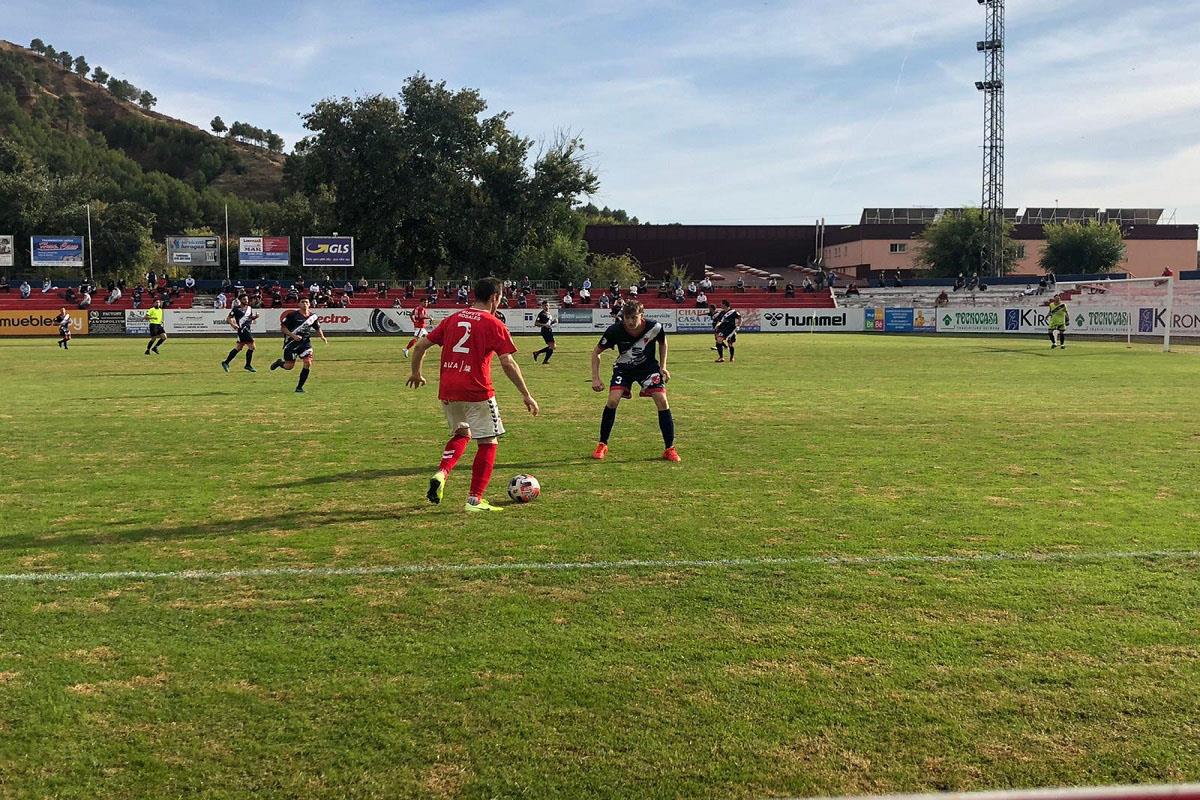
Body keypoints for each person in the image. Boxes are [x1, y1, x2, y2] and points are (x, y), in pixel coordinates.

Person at [407, 277, 539, 513]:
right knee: (488, 442)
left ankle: (442, 472)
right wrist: (526, 394)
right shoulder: (493, 323)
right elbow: (508, 363)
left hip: (448, 389)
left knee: (461, 433)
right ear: (494, 298)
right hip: (476, 390)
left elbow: (419, 347)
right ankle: (475, 500)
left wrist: (416, 373)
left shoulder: (453, 318)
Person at [590, 302, 678, 462]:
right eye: (627, 318)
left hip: (648, 368)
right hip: (624, 369)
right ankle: (602, 444)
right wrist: (595, 377)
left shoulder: (655, 327)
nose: (630, 322)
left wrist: (663, 366)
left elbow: (663, 342)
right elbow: (596, 352)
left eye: (634, 317)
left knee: (662, 400)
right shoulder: (615, 330)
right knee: (612, 400)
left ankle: (669, 448)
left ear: (641, 316)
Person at [270, 298, 328, 392]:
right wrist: (293, 336)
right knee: (289, 366)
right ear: (299, 304)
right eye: (302, 302)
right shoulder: (292, 315)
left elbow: (317, 328)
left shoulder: (313, 317)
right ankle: (280, 363)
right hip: (291, 344)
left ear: (309, 304)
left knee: (308, 363)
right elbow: (283, 328)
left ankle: (299, 387)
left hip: (305, 344)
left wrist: (322, 336)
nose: (305, 304)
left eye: (306, 302)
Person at [220, 296, 259, 373]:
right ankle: (247, 365)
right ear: (240, 300)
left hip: (247, 329)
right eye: (244, 299)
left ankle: (226, 362)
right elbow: (228, 318)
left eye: (247, 299)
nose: (246, 300)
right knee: (252, 346)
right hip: (242, 330)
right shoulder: (236, 309)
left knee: (239, 347)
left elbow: (249, 318)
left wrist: (255, 317)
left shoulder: (249, 308)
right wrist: (233, 325)